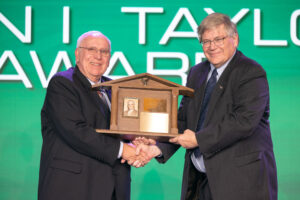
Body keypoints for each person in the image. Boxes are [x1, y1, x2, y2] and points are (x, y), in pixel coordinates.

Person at [134, 13, 278, 200]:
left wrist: (199, 140)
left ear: (235, 39)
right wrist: (158, 146)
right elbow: (184, 118)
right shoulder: (197, 72)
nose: (212, 46)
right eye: (206, 41)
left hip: (240, 182)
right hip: (200, 181)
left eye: (218, 39)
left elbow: (244, 121)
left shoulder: (250, 72)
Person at [38, 31, 145, 200]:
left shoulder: (113, 88)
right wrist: (123, 150)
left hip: (114, 188)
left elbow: (123, 129)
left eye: (104, 52)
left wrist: (139, 142)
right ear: (77, 54)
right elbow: (75, 131)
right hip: (73, 188)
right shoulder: (62, 83)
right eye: (91, 49)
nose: (98, 56)